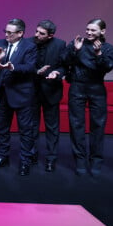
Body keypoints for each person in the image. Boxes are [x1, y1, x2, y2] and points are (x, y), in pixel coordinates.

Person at [62, 18, 113, 177]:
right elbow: (64, 60)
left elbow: (107, 68)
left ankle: (96, 160)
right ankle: (80, 160)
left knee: (98, 125)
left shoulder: (107, 48)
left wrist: (98, 55)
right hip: (77, 86)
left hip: (97, 88)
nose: (89, 33)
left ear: (102, 32)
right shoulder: (77, 43)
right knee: (76, 124)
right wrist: (75, 51)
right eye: (88, 29)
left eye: (93, 30)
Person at [0, 18, 37, 176]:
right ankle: (2, 156)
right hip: (3, 93)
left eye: (10, 32)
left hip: (22, 94)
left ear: (20, 33)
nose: (6, 35)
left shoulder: (29, 47)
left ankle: (25, 161)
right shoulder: (0, 42)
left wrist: (13, 67)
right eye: (6, 31)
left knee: (25, 130)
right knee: (2, 128)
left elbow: (30, 67)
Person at [29, 20, 66, 172]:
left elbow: (64, 66)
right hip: (32, 90)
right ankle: (32, 154)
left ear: (51, 35)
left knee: (52, 128)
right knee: (31, 126)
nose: (36, 35)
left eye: (41, 33)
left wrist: (57, 73)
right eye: (37, 31)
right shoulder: (28, 42)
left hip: (51, 90)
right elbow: (24, 63)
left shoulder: (60, 44)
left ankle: (51, 159)